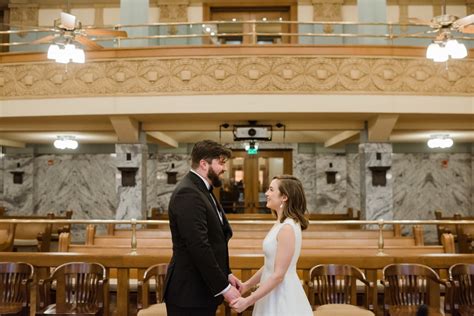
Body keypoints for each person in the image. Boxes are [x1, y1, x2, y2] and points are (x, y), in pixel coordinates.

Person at [163, 140, 242, 316]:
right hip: (189, 293)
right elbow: (198, 246)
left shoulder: (203, 190)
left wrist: (226, 274)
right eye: (220, 163)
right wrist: (224, 287)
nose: (224, 168)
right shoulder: (188, 193)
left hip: (201, 291)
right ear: (204, 164)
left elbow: (216, 240)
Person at [230, 175, 313, 316]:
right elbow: (270, 264)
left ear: (284, 197)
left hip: (282, 295)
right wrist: (247, 285)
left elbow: (278, 275)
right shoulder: (281, 223)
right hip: (270, 291)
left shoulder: (287, 228)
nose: (267, 194)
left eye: (271, 190)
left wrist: (248, 301)